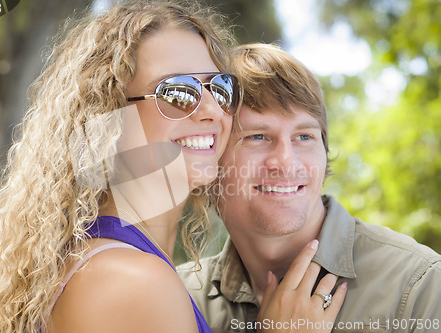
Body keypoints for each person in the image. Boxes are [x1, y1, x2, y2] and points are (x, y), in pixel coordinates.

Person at [0, 2, 344, 332]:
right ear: (107, 119)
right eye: (177, 91)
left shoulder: (101, 257)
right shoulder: (132, 282)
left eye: (220, 88)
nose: (212, 111)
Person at [178, 43, 441, 333]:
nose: (286, 162)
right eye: (257, 136)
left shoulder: (419, 286)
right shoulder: (178, 299)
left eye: (304, 136)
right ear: (209, 155)